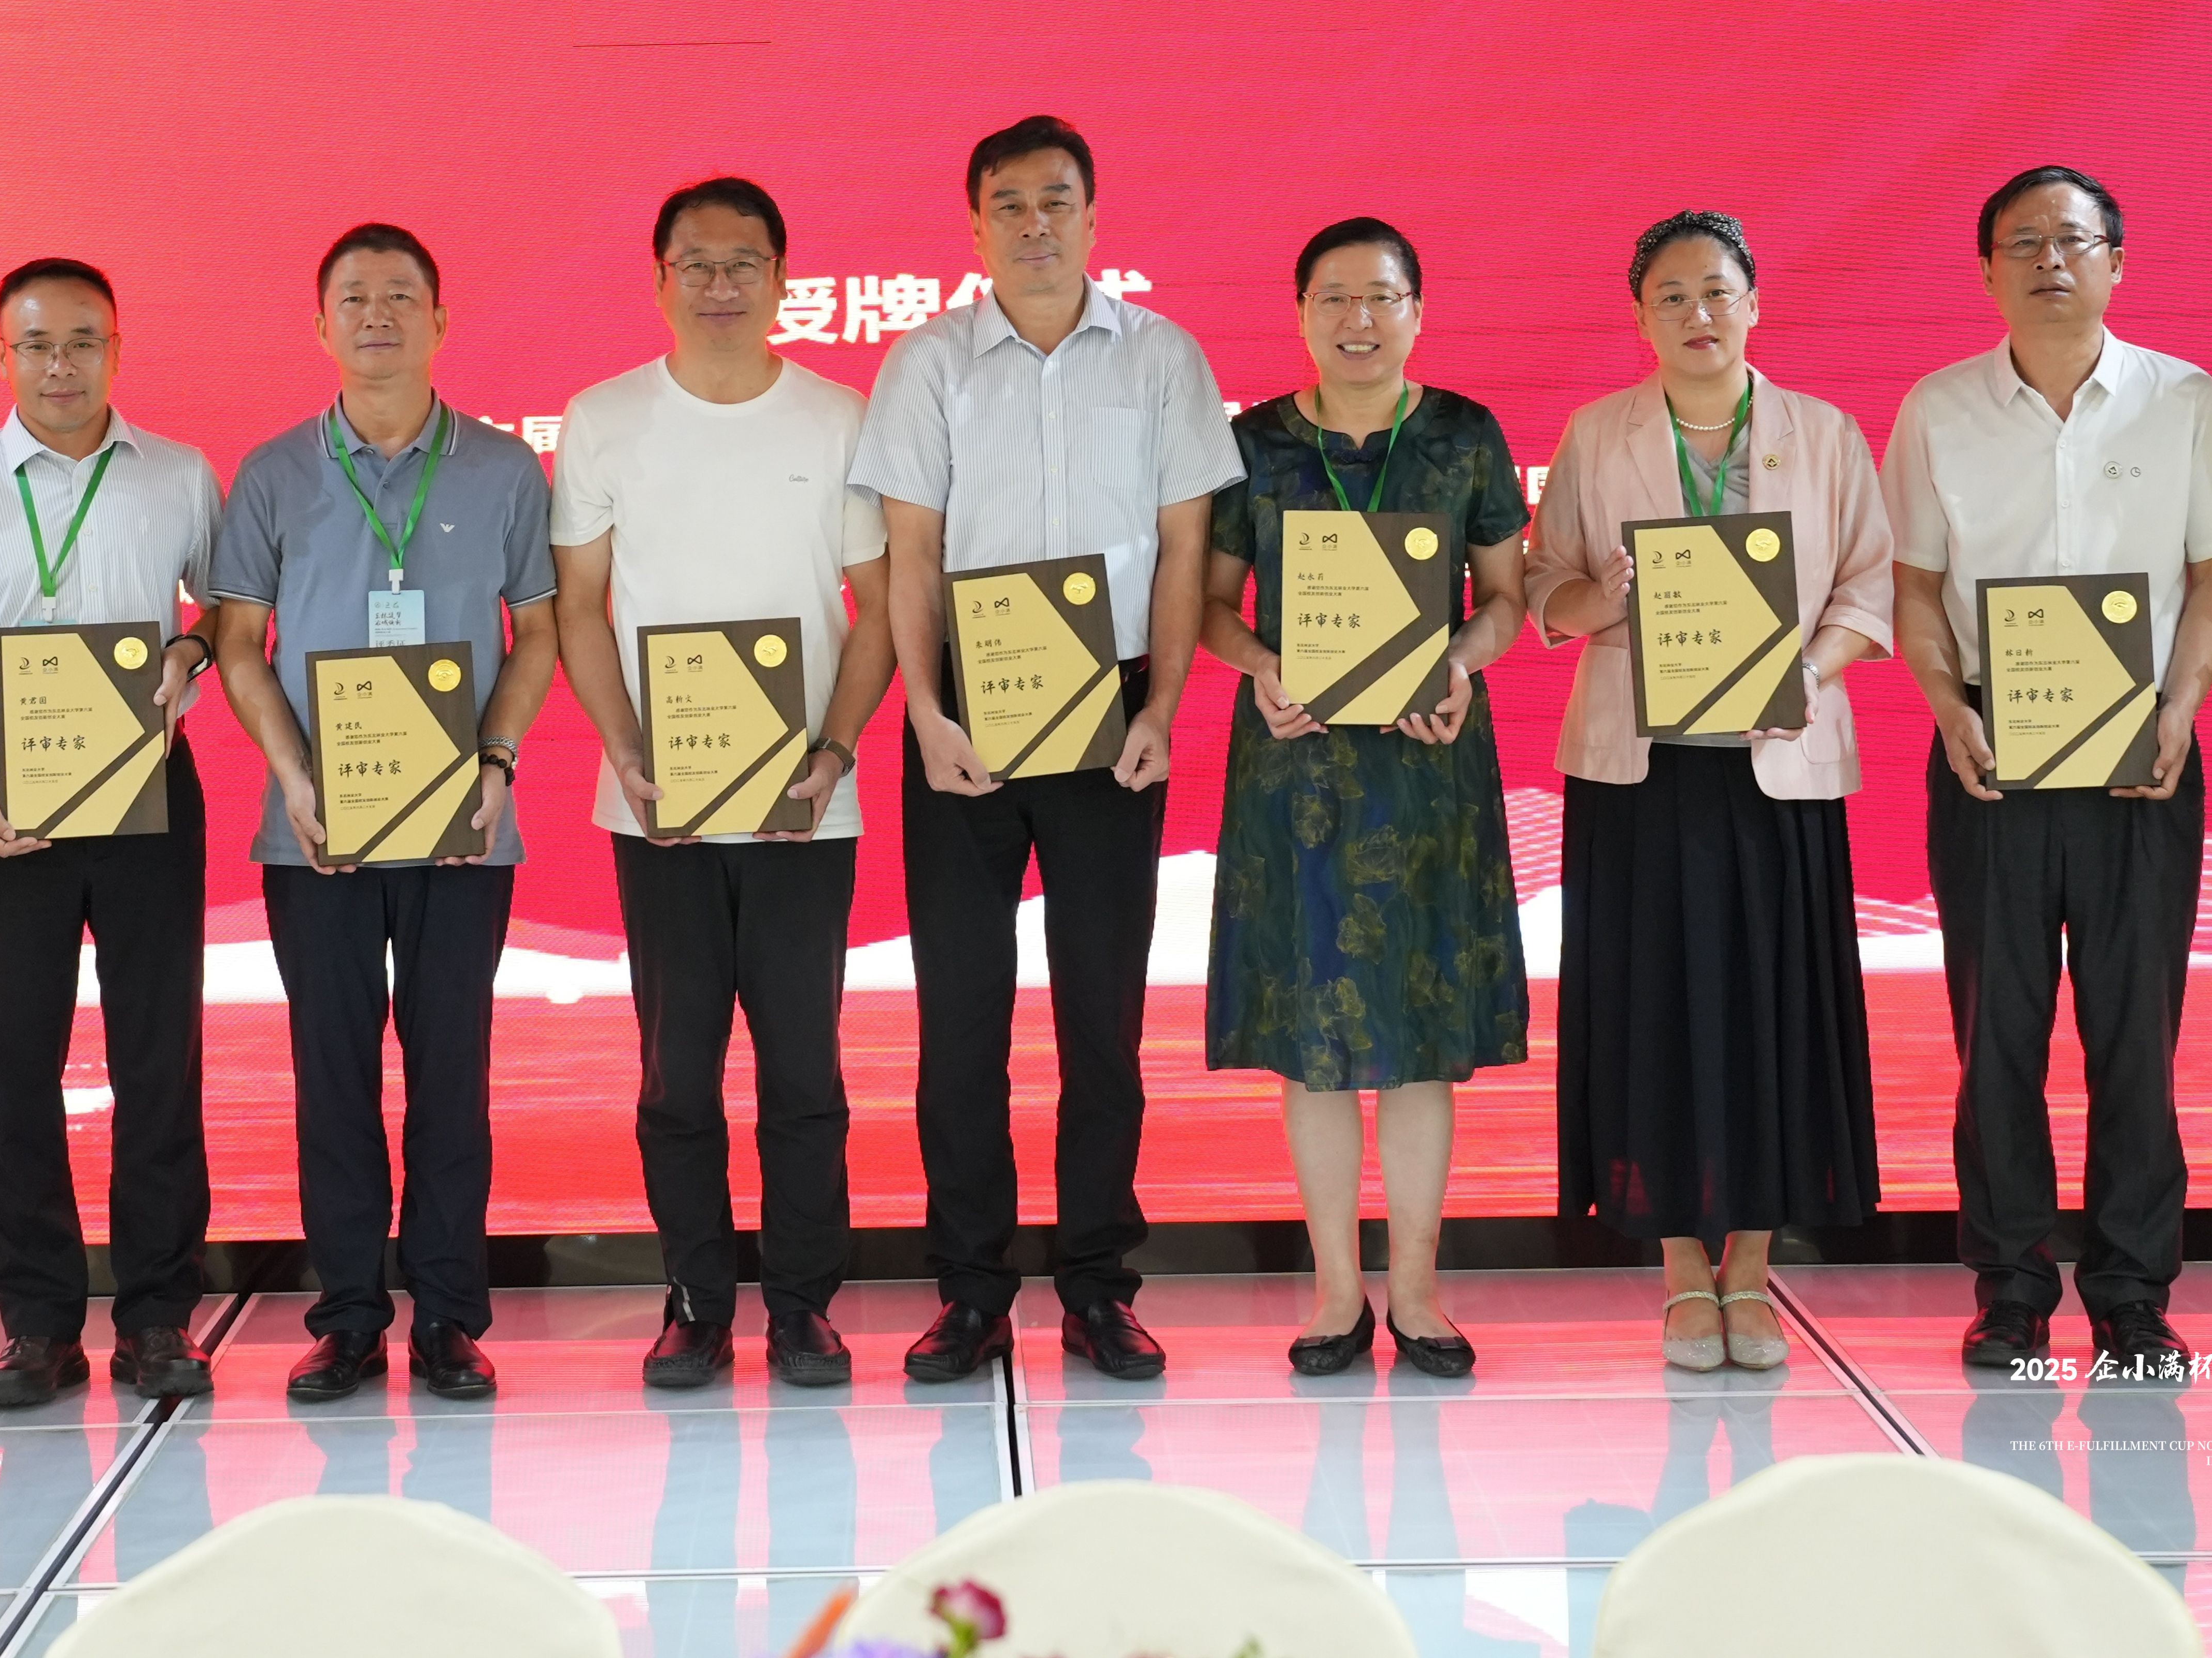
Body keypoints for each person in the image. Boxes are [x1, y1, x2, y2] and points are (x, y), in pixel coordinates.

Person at [853, 115, 1241, 1384]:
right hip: (965, 704)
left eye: (1056, 201)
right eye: (1009, 204)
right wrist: (924, 712)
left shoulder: (1162, 356)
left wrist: (1162, 706)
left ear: (1092, 215)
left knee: (1101, 1017)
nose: (1034, 225)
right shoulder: (928, 363)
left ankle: (1095, 1285)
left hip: (1112, 706)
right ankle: (969, 1290)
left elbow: (1183, 550)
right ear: (973, 225)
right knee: (961, 1021)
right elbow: (912, 555)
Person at [1886, 166, 2212, 1376]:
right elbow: (1914, 588)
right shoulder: (1937, 408)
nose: (2049, 261)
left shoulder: (2183, 399)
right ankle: (2008, 1286)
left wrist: (2181, 708)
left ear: (2116, 260)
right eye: (2022, 243)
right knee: (1995, 1032)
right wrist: (1946, 708)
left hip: (2139, 748)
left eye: (2072, 239)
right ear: (1985, 269)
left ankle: (2132, 1292)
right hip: (1990, 750)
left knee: (2133, 1036)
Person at [1524, 210, 1894, 1374]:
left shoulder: (1823, 433)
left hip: (1777, 765)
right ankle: (1683, 1265)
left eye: (1717, 291)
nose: (1697, 313)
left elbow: (1870, 589)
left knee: (1773, 1013)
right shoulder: (1598, 433)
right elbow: (1544, 588)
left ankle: (1752, 1266)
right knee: (1656, 1013)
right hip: (1641, 772)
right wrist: (1603, 599)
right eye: (1671, 295)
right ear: (1640, 317)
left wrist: (1805, 673)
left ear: (1754, 304)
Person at [550, 178, 897, 1391]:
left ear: (782, 280)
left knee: (804, 1068)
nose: (719, 285)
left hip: (807, 802)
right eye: (694, 264)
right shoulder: (603, 419)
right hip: (660, 809)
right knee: (677, 1071)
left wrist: (833, 749)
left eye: (743, 262)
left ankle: (803, 1305)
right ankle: (695, 1300)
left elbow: (878, 610)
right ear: (659, 281)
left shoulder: (838, 418)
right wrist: (626, 750)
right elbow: (579, 607)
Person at [209, 223, 558, 1404]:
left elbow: (538, 633)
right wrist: (294, 776)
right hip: (318, 834)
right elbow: (237, 643)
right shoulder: (272, 473)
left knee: (452, 1073)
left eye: (401, 296)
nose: (377, 315)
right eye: (354, 297)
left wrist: (497, 761)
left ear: (440, 321)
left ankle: (450, 1315)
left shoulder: (505, 469)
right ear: (321, 325)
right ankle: (349, 1316)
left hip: (464, 827)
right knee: (334, 1077)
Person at [0, 258, 224, 1408]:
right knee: (19, 1064)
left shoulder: (178, 474)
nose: (61, 365)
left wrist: (194, 647)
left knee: (158, 1058)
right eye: (37, 345)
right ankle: (37, 1325)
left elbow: (231, 608)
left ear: (117, 349)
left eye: (83, 341)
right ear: (3, 357)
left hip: (147, 786)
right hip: (9, 793)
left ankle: (160, 1316)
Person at [1197, 217, 1529, 1379]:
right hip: (1298, 771)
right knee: (1312, 1043)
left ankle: (1419, 1293)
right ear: (1300, 314)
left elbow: (1505, 598)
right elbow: (1211, 608)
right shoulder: (1252, 445)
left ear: (1417, 312)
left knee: (1425, 1041)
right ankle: (1337, 1293)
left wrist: (1462, 664)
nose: (1358, 319)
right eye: (1334, 297)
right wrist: (1260, 666)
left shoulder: (1464, 436)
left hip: (1427, 758)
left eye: (1382, 296)